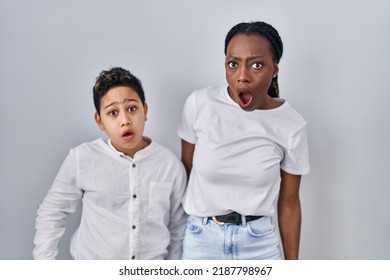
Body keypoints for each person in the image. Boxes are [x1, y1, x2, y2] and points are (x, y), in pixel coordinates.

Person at [177, 21, 310, 260]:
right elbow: (184, 176)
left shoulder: (291, 124)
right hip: (200, 243)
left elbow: (289, 203)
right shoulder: (199, 104)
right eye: (233, 64)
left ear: (275, 68)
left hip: (259, 246)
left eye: (257, 65)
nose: (242, 77)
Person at [33, 67, 187, 260]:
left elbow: (178, 228)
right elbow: (52, 212)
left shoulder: (169, 165)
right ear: (100, 121)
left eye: (132, 108)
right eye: (113, 113)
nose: (125, 120)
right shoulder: (82, 158)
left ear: (145, 110)